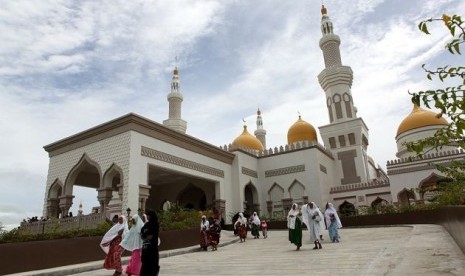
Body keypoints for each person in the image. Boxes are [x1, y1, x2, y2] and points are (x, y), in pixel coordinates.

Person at [140, 210, 160, 276]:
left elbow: (150, 236)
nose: (147, 216)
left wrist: (145, 235)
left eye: (148, 215)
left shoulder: (155, 224)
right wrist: (145, 236)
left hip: (152, 247)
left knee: (152, 263)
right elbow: (142, 233)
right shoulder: (146, 224)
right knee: (145, 263)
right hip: (145, 247)